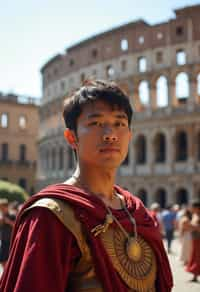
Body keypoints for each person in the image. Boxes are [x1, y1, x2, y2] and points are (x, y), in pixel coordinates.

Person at [0, 80, 173, 291]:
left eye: (120, 123)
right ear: (71, 137)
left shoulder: (138, 213)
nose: (110, 134)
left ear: (129, 135)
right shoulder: (50, 217)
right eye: (96, 123)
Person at [186, 200, 200, 282]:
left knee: (197, 257)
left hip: (198, 239)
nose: (191, 209)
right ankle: (195, 275)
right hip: (195, 238)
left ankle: (195, 275)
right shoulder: (195, 215)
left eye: (193, 207)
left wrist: (191, 225)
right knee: (195, 257)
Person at [0, 198, 15, 272]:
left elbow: (16, 225)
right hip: (3, 240)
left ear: (6, 206)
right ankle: (4, 273)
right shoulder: (1, 216)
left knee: (10, 260)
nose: (2, 209)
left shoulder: (12, 215)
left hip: (10, 240)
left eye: (3, 207)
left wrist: (8, 221)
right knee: (2, 260)